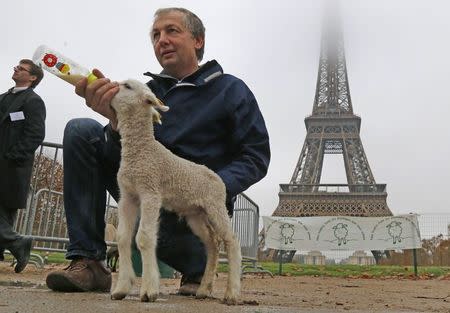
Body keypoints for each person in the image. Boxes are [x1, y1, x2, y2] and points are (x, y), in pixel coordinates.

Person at [46, 7, 270, 294]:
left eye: (172, 31)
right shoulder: (143, 92)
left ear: (198, 40)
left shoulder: (231, 90)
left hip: (193, 208)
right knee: (81, 131)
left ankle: (196, 268)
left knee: (178, 219)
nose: (161, 40)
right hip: (148, 196)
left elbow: (256, 155)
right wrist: (115, 122)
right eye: (155, 35)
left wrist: (212, 187)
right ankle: (88, 261)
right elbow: (124, 157)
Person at [0, 59, 45, 273]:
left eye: (22, 68)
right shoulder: (3, 98)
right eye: (16, 66)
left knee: (5, 210)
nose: (16, 68)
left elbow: (35, 134)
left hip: (12, 166)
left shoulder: (33, 101)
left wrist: (12, 156)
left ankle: (18, 243)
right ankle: (16, 244)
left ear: (33, 77)